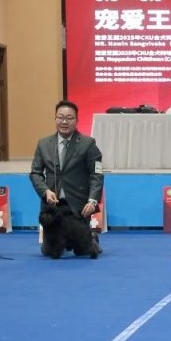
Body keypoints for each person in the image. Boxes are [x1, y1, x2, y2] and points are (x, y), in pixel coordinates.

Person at [30, 100, 103, 257]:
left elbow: (96, 174)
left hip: (78, 206)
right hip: (53, 208)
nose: (64, 121)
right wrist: (45, 191)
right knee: (48, 252)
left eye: (69, 118)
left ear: (77, 120)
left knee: (82, 251)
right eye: (60, 117)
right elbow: (35, 173)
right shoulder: (43, 144)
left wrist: (92, 201)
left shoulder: (88, 144)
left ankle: (90, 236)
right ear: (55, 119)